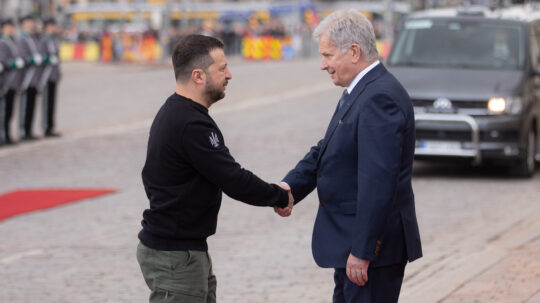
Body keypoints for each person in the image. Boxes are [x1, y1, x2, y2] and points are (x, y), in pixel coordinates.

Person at [275, 9, 422, 303]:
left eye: (328, 55)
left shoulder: (379, 97)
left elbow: (378, 182)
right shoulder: (361, 90)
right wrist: (291, 187)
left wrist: (363, 250)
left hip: (369, 253)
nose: (322, 65)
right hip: (351, 244)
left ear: (354, 52)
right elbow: (327, 148)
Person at [136, 34, 293, 303]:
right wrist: (278, 196)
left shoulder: (182, 114)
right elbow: (232, 178)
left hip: (187, 249)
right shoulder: (189, 123)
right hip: (176, 256)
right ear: (198, 76)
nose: (229, 74)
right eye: (222, 68)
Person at [16, 14, 43, 140]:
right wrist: (31, 60)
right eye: (28, 22)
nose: (31, 24)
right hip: (26, 78)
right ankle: (23, 131)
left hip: (35, 78)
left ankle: (29, 130)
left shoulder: (34, 38)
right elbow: (22, 56)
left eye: (32, 21)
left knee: (32, 105)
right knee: (25, 105)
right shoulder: (21, 39)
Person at [0, 18, 24, 145]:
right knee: (3, 111)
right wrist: (13, 63)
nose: (10, 29)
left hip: (13, 82)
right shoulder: (3, 43)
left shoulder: (13, 42)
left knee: (9, 110)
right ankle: (3, 136)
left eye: (11, 26)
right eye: (8, 26)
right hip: (5, 82)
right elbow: (3, 61)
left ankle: (7, 135)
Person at [38, 17, 61, 137]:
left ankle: (51, 126)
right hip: (46, 75)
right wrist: (47, 59)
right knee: (46, 102)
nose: (54, 27)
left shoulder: (54, 39)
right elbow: (41, 56)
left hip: (53, 75)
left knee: (52, 102)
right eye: (52, 25)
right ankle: (46, 127)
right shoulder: (43, 40)